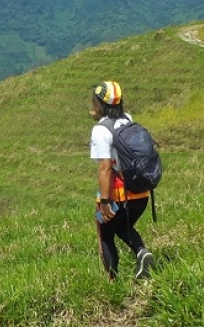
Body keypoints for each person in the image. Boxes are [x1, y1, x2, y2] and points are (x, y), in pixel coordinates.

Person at [89, 81, 155, 280]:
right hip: (141, 192)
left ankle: (113, 282)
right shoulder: (128, 120)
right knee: (123, 227)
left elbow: (105, 167)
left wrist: (106, 202)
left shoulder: (101, 130)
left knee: (105, 233)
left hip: (117, 195)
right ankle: (142, 252)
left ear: (99, 105)